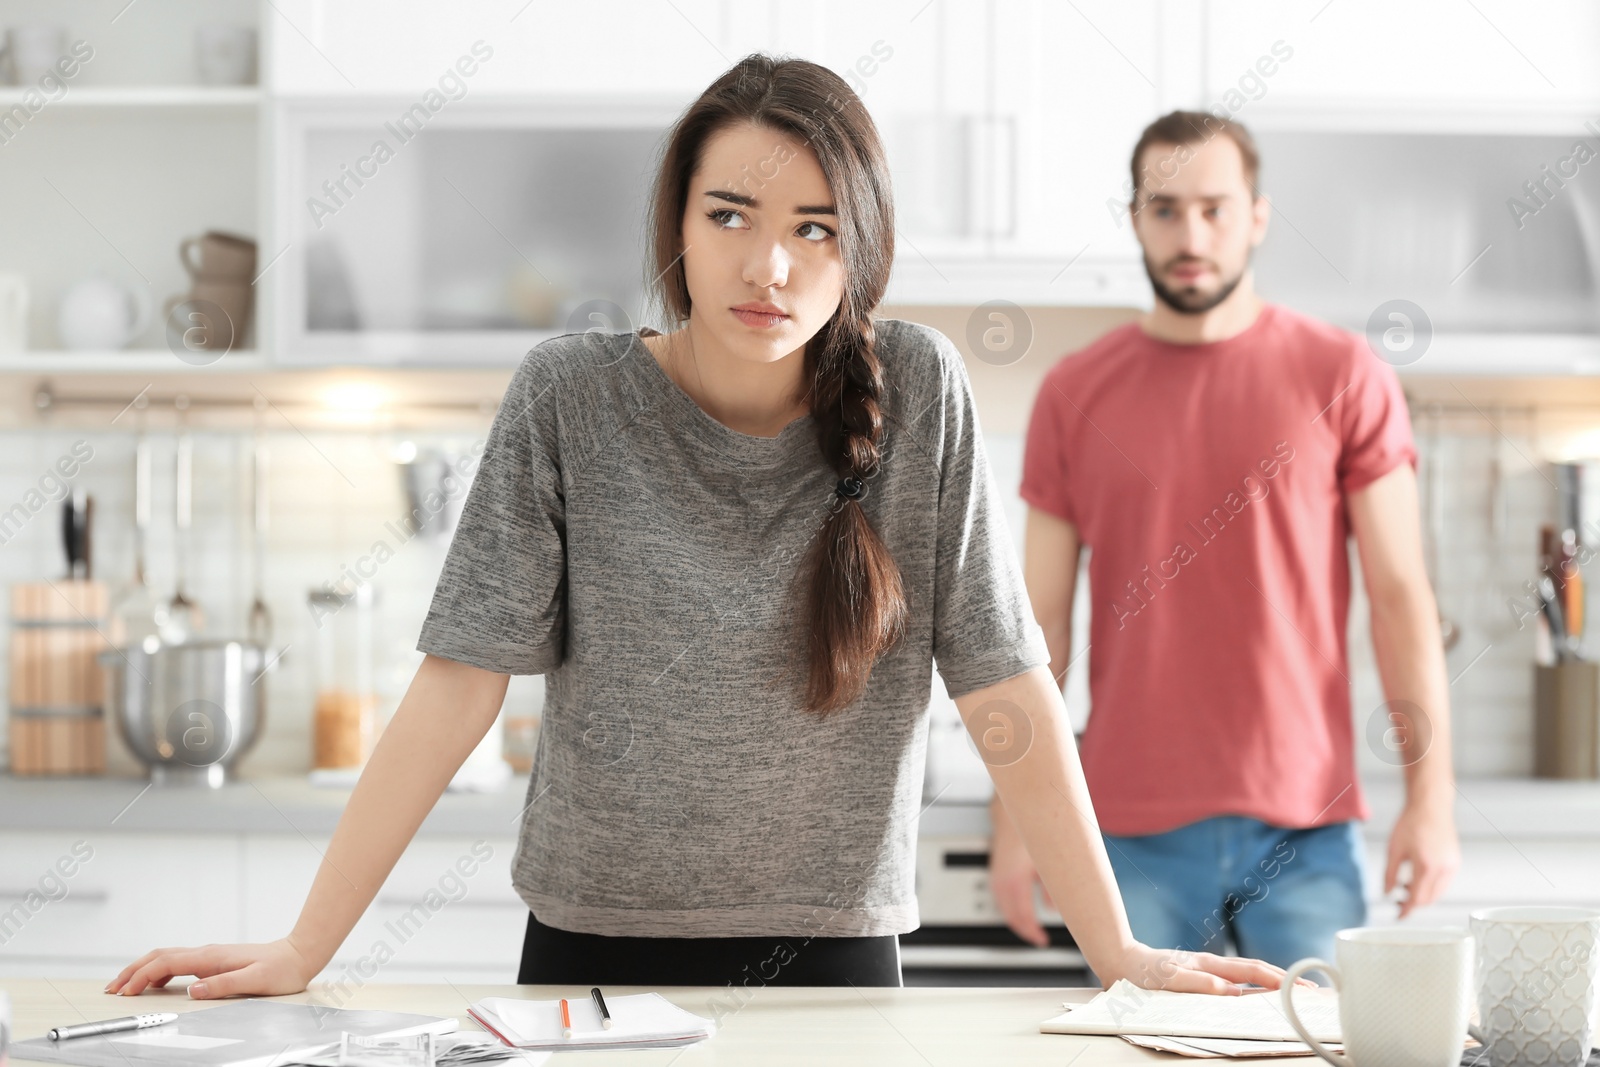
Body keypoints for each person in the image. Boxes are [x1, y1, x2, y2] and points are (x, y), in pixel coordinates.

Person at [108, 62, 1303, 998]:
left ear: (862, 245)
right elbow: (459, 682)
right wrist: (307, 943)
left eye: (816, 229)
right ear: (677, 221)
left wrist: (1119, 952)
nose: (769, 264)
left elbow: (1002, 681)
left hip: (834, 953)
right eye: (730, 214)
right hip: (587, 947)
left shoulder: (924, 392)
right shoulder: (569, 395)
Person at [987, 111, 1461, 975]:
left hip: (1306, 830)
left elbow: (1401, 599)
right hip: (1125, 832)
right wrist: (1016, 819)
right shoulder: (1073, 392)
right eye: (1165, 210)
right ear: (1132, 217)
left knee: (1316, 1047)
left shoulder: (1344, 375)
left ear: (1257, 215)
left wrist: (1432, 801)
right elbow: (1034, 629)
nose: (1190, 234)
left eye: (1214, 208)